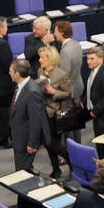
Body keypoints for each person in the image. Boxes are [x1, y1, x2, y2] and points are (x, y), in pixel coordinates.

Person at [37, 45, 72, 179]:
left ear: (50, 58)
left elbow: (68, 93)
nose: (40, 60)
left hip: (55, 112)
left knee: (52, 143)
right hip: (43, 111)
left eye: (42, 57)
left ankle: (71, 161)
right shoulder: (40, 70)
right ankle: (56, 169)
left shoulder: (61, 74)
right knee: (47, 142)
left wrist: (54, 92)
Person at [8, 58, 49, 173]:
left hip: (25, 140)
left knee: (23, 172)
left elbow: (35, 120)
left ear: (18, 73)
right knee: (24, 170)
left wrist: (32, 143)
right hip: (19, 137)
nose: (9, 73)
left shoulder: (32, 91)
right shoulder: (21, 87)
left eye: (11, 71)